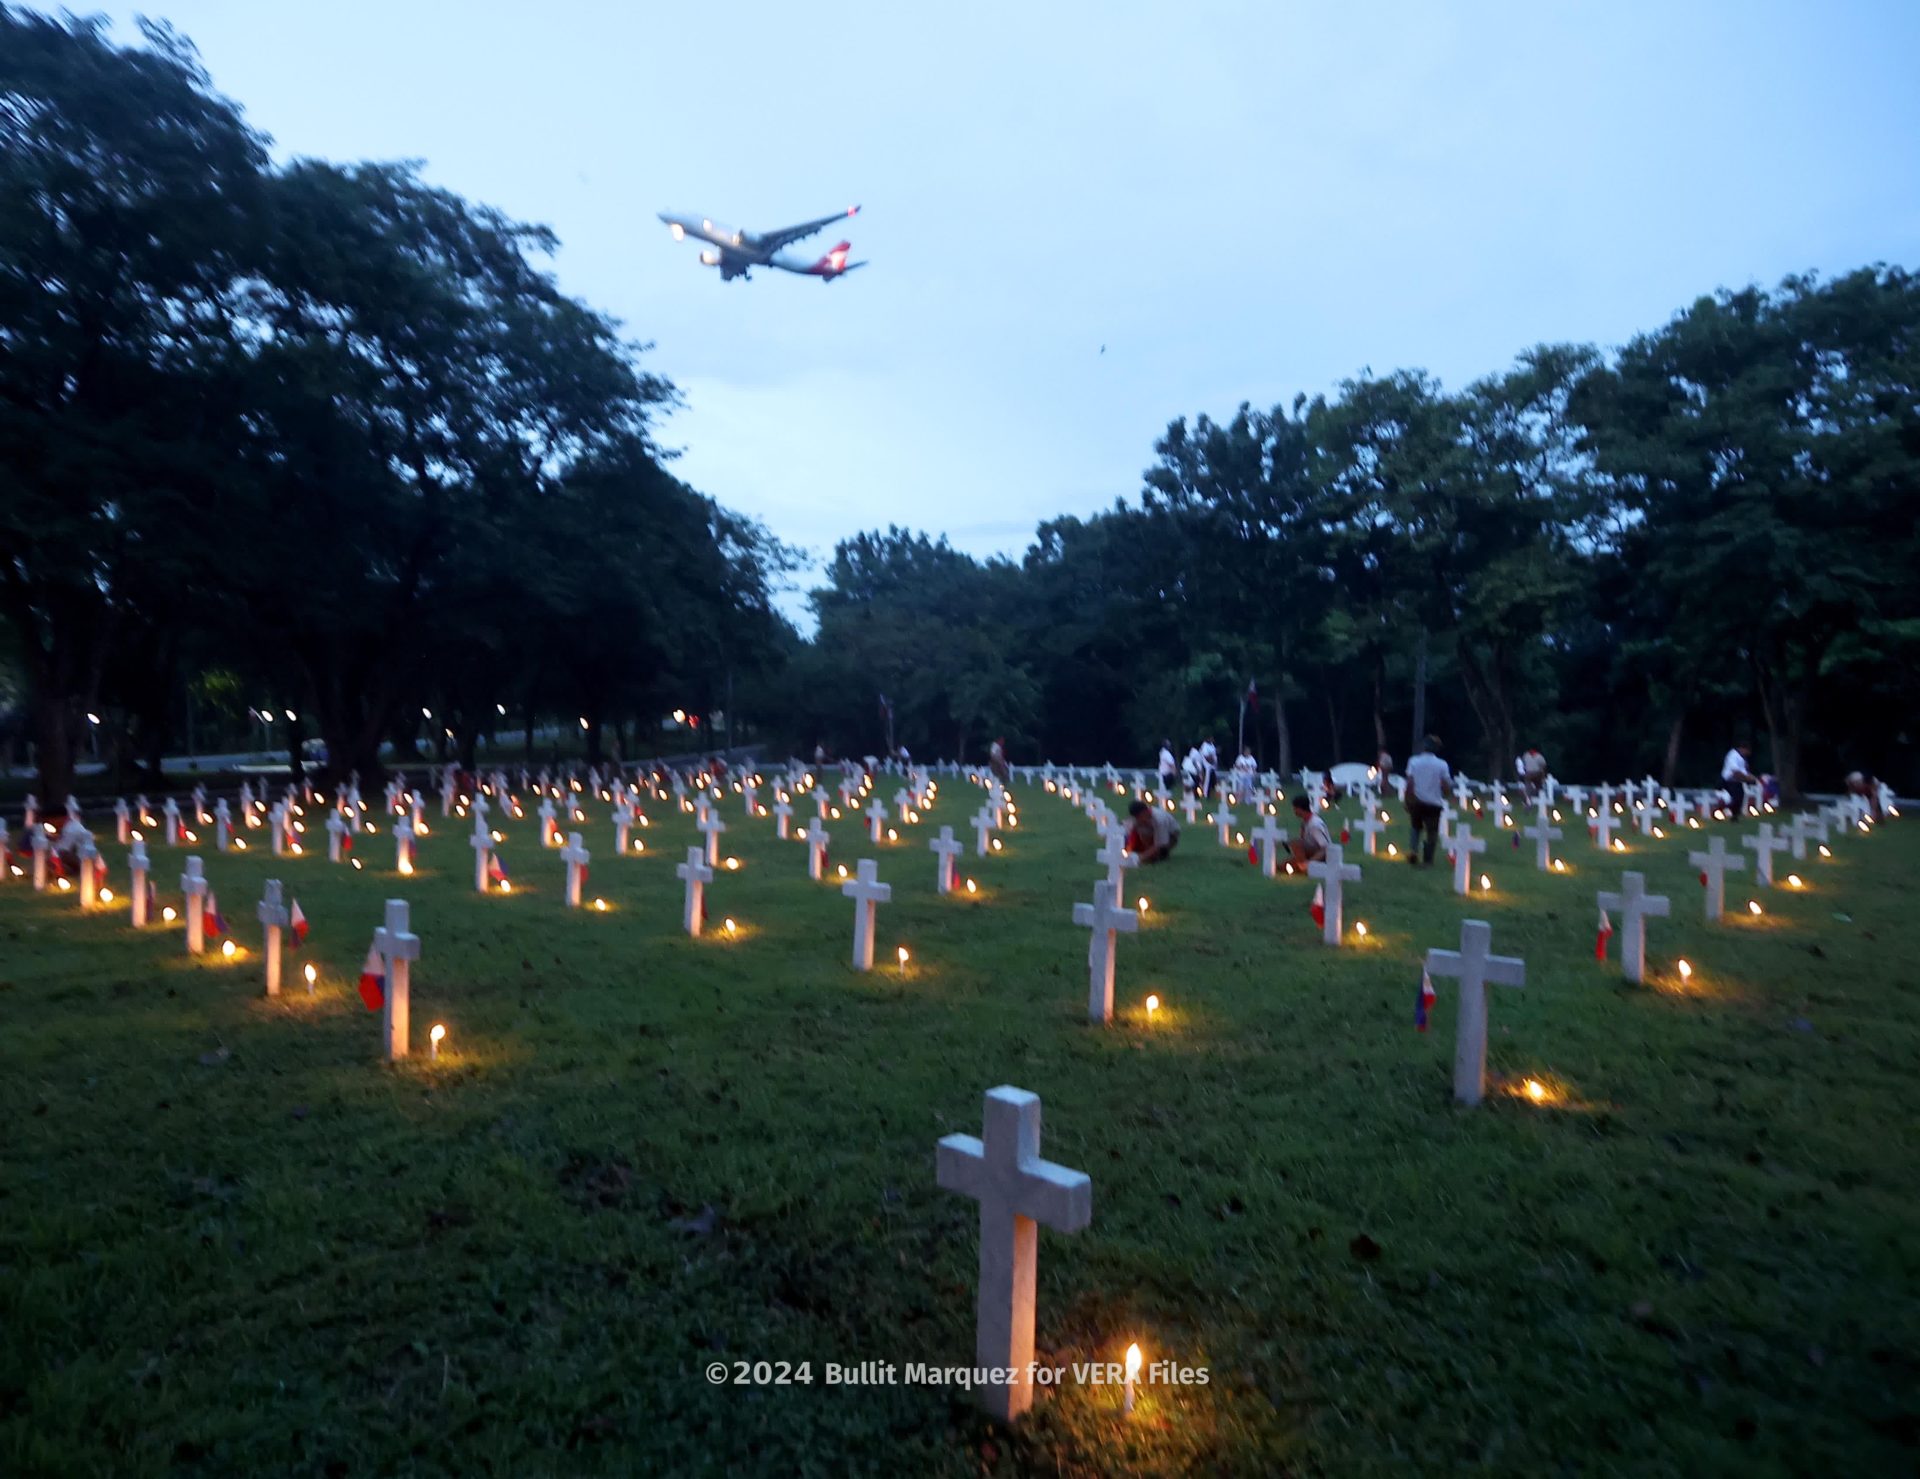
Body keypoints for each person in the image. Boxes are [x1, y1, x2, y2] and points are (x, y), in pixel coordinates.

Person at [1403, 736, 1451, 867]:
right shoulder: (1442, 764)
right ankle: (1428, 859)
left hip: (1417, 801)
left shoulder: (1413, 761)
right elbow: (1446, 784)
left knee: (1415, 828)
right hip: (1434, 803)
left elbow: (1410, 783)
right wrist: (1446, 793)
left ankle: (1413, 851)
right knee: (1432, 832)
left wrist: (1407, 800)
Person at [1289, 794, 1330, 868]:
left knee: (1296, 844)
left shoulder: (1315, 825)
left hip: (1321, 857)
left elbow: (1325, 848)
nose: (1294, 811)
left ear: (1299, 809)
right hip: (1311, 853)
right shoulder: (1305, 822)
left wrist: (1309, 863)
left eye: (1295, 808)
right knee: (1283, 865)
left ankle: (1305, 868)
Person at [1721, 743, 1761, 812]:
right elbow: (1735, 771)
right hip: (1729, 780)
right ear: (1743, 749)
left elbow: (1744, 771)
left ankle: (1735, 815)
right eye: (1747, 751)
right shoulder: (1733, 755)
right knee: (1735, 798)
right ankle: (1722, 809)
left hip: (1737, 781)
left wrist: (1752, 777)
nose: (1748, 753)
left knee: (1740, 798)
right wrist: (1748, 778)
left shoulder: (1742, 758)